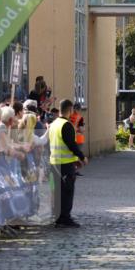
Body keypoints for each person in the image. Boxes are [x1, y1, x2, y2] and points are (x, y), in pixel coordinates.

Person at [48, 98, 87, 228]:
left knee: (56, 192)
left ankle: (57, 216)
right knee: (67, 191)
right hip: (65, 164)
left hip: (54, 162)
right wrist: (81, 157)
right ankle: (65, 218)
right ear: (70, 110)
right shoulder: (67, 125)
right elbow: (71, 145)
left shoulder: (54, 124)